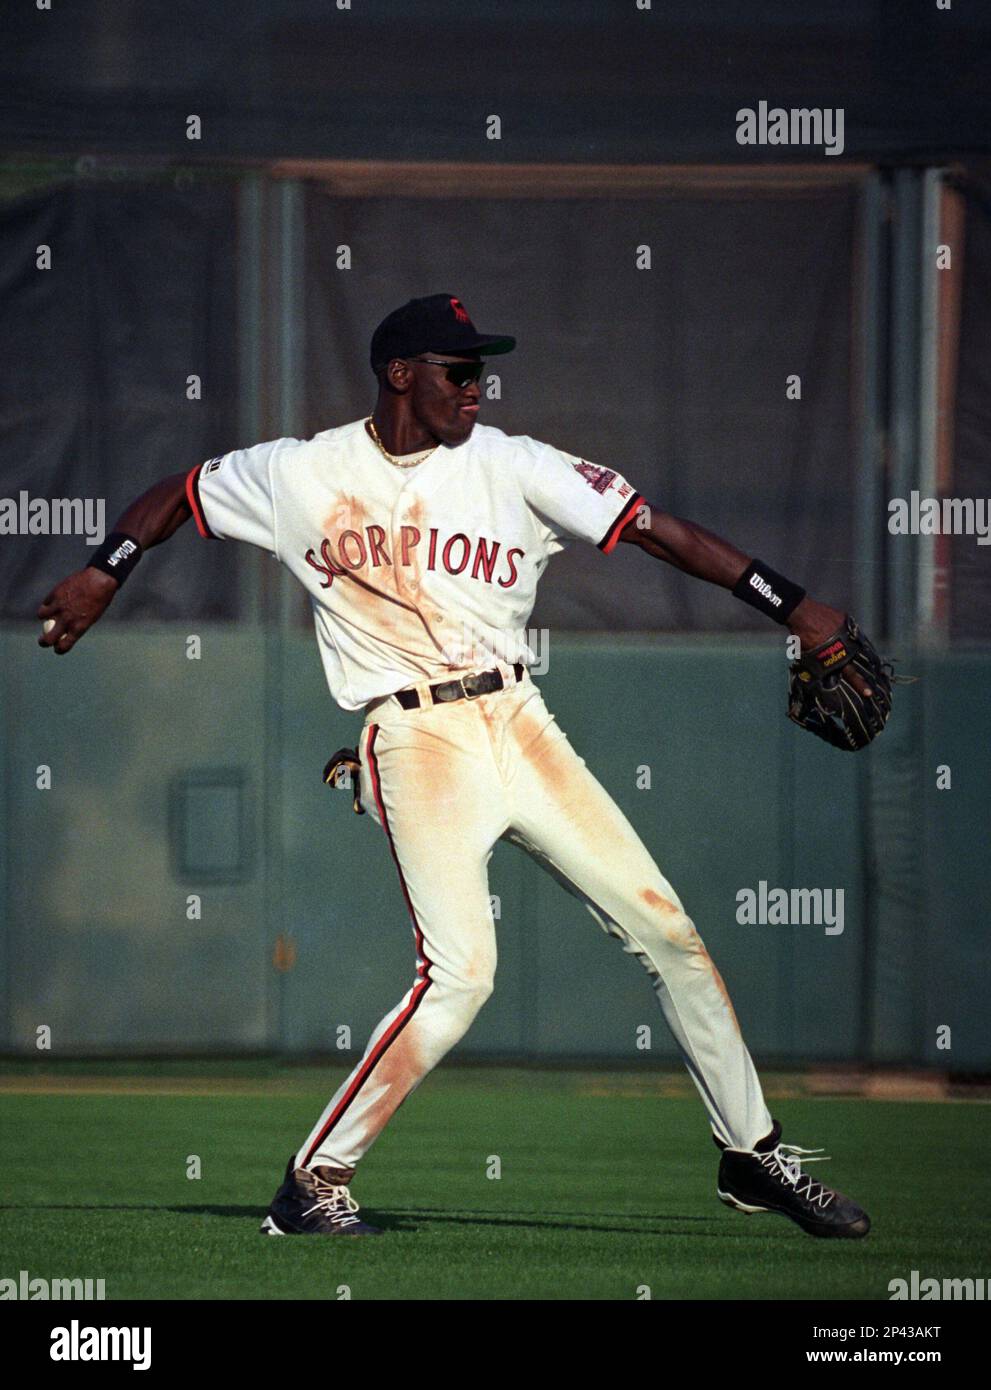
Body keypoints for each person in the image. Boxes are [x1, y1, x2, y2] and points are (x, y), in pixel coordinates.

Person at [38, 293, 871, 1240]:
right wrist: (108, 565)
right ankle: (313, 1182)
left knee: (670, 935)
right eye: (459, 370)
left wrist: (794, 607)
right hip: (413, 739)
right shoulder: (300, 471)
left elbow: (654, 530)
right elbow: (175, 494)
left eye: (481, 372)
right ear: (401, 374)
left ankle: (750, 1154)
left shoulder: (513, 464)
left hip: (519, 720)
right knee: (463, 972)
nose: (478, 387)